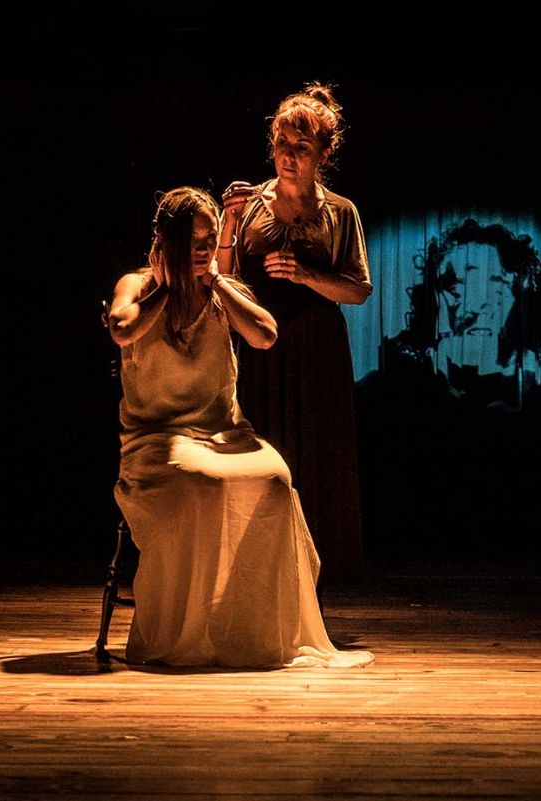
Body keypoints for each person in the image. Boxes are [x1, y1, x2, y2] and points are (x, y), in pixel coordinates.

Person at [108, 186, 371, 669]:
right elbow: (122, 329)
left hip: (225, 435)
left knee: (274, 481)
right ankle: (190, 630)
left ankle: (254, 629)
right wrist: (169, 286)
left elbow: (265, 335)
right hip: (157, 440)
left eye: (210, 240)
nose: (204, 249)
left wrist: (218, 283)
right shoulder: (140, 285)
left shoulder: (220, 290)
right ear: (167, 243)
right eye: (193, 242)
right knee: (201, 484)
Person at [219, 83, 371, 584]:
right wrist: (228, 223)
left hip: (317, 351)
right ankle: (254, 569)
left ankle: (312, 572)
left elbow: (358, 290)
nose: (288, 156)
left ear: (323, 153)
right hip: (261, 346)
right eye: (282, 144)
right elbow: (223, 277)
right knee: (260, 448)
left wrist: (306, 275)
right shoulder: (250, 203)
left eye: (301, 147)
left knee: (314, 455)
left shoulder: (340, 212)